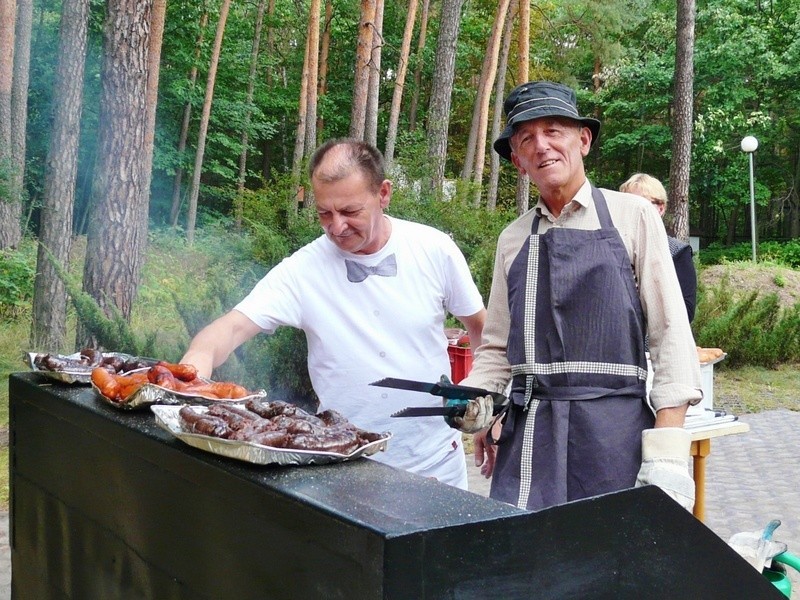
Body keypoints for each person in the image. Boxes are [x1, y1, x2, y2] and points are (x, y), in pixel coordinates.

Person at [452, 81, 702, 511]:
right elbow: (495, 349)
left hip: (616, 436)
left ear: (583, 140)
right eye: (526, 138)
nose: (541, 146)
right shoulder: (512, 239)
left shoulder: (635, 216)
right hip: (530, 437)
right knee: (531, 564)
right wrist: (475, 403)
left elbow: (670, 335)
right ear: (517, 160)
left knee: (611, 562)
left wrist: (668, 452)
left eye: (554, 131)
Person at [180, 139, 486, 489]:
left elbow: (480, 329)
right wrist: (190, 373)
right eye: (325, 213)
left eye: (350, 211)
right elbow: (230, 329)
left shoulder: (434, 249)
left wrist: (480, 395)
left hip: (436, 463)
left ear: (383, 194)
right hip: (344, 467)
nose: (336, 226)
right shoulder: (303, 270)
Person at [620, 173, 697, 322]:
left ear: (660, 209)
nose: (635, 211)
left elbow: (686, 312)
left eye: (642, 205)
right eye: (627, 204)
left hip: (654, 341)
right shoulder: (613, 249)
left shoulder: (677, 252)